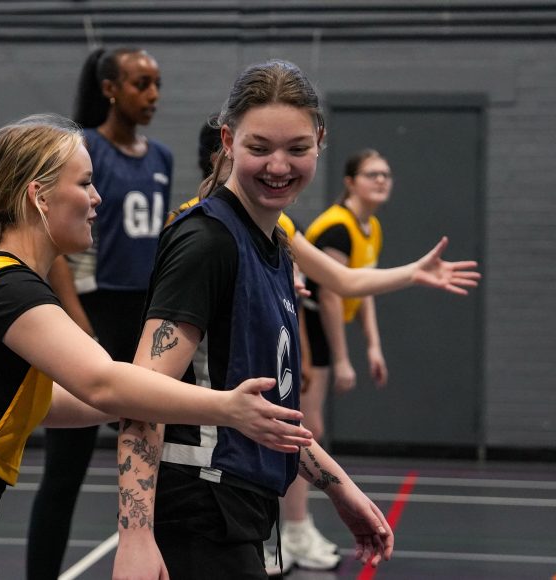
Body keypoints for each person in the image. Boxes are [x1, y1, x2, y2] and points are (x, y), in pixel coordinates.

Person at [0, 114, 312, 580]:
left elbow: (53, 404)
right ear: (38, 195)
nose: (97, 198)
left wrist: (152, 395)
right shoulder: (8, 289)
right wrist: (225, 407)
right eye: (84, 183)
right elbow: (102, 383)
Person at [113, 60, 480, 580]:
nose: (278, 165)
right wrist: (135, 537)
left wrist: (340, 488)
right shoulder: (206, 243)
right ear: (228, 139)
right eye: (260, 148)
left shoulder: (276, 251)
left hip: (244, 507)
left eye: (297, 149)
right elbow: (139, 396)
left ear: (321, 141)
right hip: (197, 510)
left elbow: (269, 416)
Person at [26, 47, 174, 579]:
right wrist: (77, 326)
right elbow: (57, 247)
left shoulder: (160, 157)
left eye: (157, 83)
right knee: (64, 474)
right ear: (111, 88)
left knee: (151, 458)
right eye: (140, 83)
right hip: (90, 313)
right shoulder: (85, 150)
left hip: (143, 319)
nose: (153, 94)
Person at [275, 149, 394, 573]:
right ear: (350, 181)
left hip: (325, 336)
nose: (382, 181)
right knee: (302, 432)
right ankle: (289, 528)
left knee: (309, 430)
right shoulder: (336, 229)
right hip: (308, 333)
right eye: (372, 174)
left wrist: (373, 346)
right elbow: (329, 293)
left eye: (386, 175)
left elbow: (361, 289)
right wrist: (341, 359)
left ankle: (294, 527)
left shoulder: (370, 227)